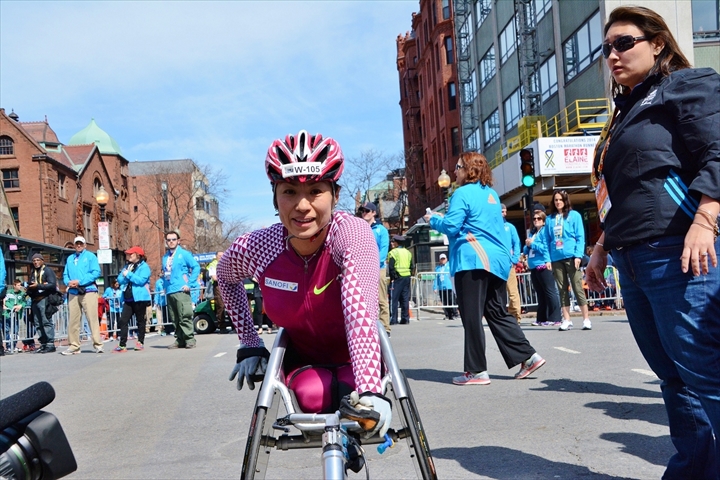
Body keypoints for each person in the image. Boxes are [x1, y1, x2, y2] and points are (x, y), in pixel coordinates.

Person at [585, 6, 720, 478]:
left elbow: (717, 151)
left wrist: (706, 218)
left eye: (624, 43)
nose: (613, 56)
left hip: (678, 252)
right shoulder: (624, 110)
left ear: (657, 43)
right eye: (607, 49)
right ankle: (692, 470)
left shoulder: (685, 85)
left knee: (707, 374)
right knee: (674, 379)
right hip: (632, 259)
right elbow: (624, 185)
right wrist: (602, 245)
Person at [217, 130, 391, 438]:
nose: (302, 206)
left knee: (348, 390)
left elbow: (359, 308)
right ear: (275, 197)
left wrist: (369, 390)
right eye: (289, 192)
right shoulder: (257, 247)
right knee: (313, 393)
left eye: (315, 191)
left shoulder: (352, 234)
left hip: (357, 360)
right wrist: (249, 343)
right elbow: (225, 278)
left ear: (335, 195)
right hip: (304, 364)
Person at [425, 152, 545, 385]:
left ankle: (476, 370)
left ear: (468, 169)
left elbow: (451, 226)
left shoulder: (461, 193)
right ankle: (528, 357)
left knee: (471, 316)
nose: (455, 171)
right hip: (497, 261)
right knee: (497, 312)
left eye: (458, 166)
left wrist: (433, 220)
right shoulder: (491, 194)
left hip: (473, 259)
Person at [545, 191, 591, 331]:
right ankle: (567, 319)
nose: (558, 202)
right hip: (556, 257)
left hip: (571, 256)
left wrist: (578, 255)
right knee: (562, 289)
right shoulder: (549, 219)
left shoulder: (574, 215)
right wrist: (548, 259)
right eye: (556, 200)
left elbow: (580, 237)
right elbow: (547, 240)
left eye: (560, 199)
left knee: (577, 287)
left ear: (565, 200)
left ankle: (586, 318)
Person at [61, 236, 103, 355]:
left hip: (88, 290)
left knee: (92, 318)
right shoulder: (70, 258)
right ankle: (74, 346)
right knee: (73, 320)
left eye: (81, 243)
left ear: (85, 245)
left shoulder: (90, 257)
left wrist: (80, 281)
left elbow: (96, 272)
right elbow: (65, 274)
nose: (78, 245)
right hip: (73, 292)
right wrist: (68, 282)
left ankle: (98, 344)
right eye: (77, 244)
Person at [162, 230, 200, 349]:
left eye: (173, 239)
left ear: (178, 241)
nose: (171, 242)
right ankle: (179, 340)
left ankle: (190, 339)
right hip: (170, 290)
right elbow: (165, 273)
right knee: (175, 318)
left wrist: (190, 283)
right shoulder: (165, 257)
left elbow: (196, 267)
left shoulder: (184, 254)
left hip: (181, 289)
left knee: (184, 315)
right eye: (169, 240)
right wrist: (164, 286)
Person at [524, 211, 562, 326]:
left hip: (543, 264)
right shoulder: (533, 233)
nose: (536, 220)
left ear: (544, 220)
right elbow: (527, 249)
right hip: (533, 266)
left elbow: (545, 248)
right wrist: (527, 245)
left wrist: (533, 244)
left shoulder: (544, 232)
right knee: (540, 293)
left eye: (539, 218)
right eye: (534, 218)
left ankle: (555, 317)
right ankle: (541, 318)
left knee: (550, 291)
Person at [359, 201, 391, 335]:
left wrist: (374, 264)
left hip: (378, 268)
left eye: (367, 211)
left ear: (374, 213)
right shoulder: (360, 228)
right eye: (363, 211)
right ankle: (369, 328)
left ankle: (385, 329)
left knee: (381, 299)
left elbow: (383, 250)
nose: (364, 213)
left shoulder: (381, 230)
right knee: (365, 299)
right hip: (362, 268)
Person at [114, 246, 152, 352]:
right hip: (128, 298)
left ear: (138, 255)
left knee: (140, 320)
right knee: (123, 320)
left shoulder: (144, 267)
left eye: (131, 254)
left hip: (139, 298)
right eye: (128, 254)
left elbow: (140, 281)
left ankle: (140, 342)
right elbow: (120, 279)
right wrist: (126, 275)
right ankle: (122, 344)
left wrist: (128, 275)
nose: (128, 256)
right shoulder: (127, 266)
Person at [26, 253, 57, 353]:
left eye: (38, 260)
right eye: (34, 261)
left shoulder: (47, 271)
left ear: (42, 261)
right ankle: (43, 343)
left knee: (46, 321)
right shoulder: (33, 272)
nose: (36, 262)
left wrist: (38, 286)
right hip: (35, 299)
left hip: (44, 299)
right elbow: (32, 284)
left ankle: (50, 344)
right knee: (38, 322)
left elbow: (52, 285)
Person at [501, 204, 522, 324]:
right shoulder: (492, 226)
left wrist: (514, 259)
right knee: (498, 292)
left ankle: (516, 317)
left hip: (508, 265)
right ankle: (501, 316)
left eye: (505, 211)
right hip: (495, 265)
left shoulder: (510, 227)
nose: (504, 213)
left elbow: (516, 243)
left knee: (512, 292)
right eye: (502, 211)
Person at [388, 234, 412, 325]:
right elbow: (411, 266)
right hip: (407, 277)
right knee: (405, 299)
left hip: (397, 278)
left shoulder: (393, 252)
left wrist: (392, 277)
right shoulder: (408, 252)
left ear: (397, 243)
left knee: (393, 298)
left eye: (393, 241)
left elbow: (391, 267)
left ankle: (393, 319)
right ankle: (405, 319)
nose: (391, 243)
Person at [206, 251, 228, 331]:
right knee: (221, 306)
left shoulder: (227, 263)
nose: (221, 257)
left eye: (223, 255)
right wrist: (226, 278)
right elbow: (214, 278)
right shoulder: (213, 264)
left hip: (227, 285)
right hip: (218, 286)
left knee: (230, 306)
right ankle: (222, 327)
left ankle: (234, 326)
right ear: (216, 256)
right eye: (219, 255)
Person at [2, 279, 23, 355]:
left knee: (15, 330)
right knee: (6, 330)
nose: (20, 286)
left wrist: (20, 306)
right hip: (7, 314)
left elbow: (23, 302)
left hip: (16, 315)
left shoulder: (21, 293)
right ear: (14, 285)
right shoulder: (8, 292)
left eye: (20, 285)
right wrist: (12, 308)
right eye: (18, 285)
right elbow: (6, 301)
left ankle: (13, 346)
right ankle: (8, 346)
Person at [433, 253, 457, 320]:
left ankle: (454, 314)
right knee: (444, 302)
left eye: (444, 259)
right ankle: (447, 315)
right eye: (441, 259)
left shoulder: (450, 266)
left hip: (450, 287)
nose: (443, 260)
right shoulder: (437, 268)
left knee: (451, 300)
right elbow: (436, 278)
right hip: (441, 287)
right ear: (440, 260)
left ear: (446, 259)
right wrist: (435, 287)